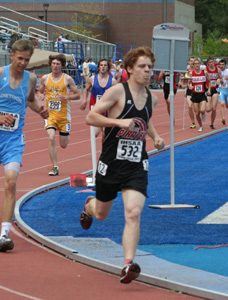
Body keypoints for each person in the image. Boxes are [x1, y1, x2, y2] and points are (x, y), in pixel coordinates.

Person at [79, 46, 165, 284]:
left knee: (134, 212)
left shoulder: (153, 98)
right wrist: (119, 122)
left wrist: (155, 137)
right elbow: (91, 117)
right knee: (102, 214)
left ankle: (128, 264)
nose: (147, 71)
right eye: (142, 66)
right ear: (129, 69)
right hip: (111, 164)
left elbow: (144, 122)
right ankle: (89, 206)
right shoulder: (117, 91)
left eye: (149, 67)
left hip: (137, 164)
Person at [0, 39, 49, 252]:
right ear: (12, 56)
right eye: (20, 59)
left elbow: (30, 100)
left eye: (27, 60)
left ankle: (4, 235)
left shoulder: (31, 79)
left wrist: (40, 109)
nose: (23, 63)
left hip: (13, 140)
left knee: (10, 182)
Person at [37, 54, 80, 176]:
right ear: (50, 64)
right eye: (54, 64)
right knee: (51, 138)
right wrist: (40, 95)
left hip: (64, 116)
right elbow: (40, 92)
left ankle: (66, 134)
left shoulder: (67, 79)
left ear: (62, 66)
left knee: (63, 145)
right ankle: (55, 166)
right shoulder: (45, 78)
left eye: (58, 64)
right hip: (50, 115)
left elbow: (77, 94)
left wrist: (66, 97)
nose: (55, 66)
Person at [80, 58, 117, 137]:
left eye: (105, 65)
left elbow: (118, 95)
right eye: (101, 65)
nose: (103, 67)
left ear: (108, 67)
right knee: (95, 134)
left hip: (107, 111)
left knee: (105, 134)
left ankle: (105, 149)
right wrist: (84, 100)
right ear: (98, 67)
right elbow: (86, 89)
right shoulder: (92, 79)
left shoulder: (113, 81)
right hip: (95, 110)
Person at [187, 58, 211, 132]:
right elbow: (188, 83)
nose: (197, 65)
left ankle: (203, 113)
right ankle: (200, 126)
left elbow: (209, 81)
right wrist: (189, 86)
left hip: (202, 94)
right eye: (195, 64)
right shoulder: (191, 73)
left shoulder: (205, 72)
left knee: (202, 110)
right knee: (197, 113)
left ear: (200, 64)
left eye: (198, 63)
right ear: (193, 65)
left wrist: (209, 89)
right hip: (195, 95)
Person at [181, 57, 196, 128]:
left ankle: (201, 114)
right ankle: (193, 122)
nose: (192, 63)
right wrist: (182, 84)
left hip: (198, 91)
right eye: (191, 61)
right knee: (190, 106)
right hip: (189, 91)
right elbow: (183, 81)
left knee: (197, 109)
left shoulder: (198, 71)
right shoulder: (186, 71)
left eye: (193, 62)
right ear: (189, 62)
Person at [205, 57, 220, 129]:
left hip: (215, 90)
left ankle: (211, 123)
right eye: (210, 62)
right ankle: (203, 109)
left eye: (212, 62)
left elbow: (221, 78)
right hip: (208, 90)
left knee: (214, 108)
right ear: (208, 63)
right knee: (208, 109)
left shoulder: (218, 69)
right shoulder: (206, 70)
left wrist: (219, 80)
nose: (211, 63)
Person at [217, 59, 228, 125]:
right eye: (220, 65)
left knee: (227, 105)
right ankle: (223, 118)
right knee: (222, 103)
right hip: (221, 90)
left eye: (223, 64)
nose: (221, 66)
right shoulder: (218, 71)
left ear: (225, 65)